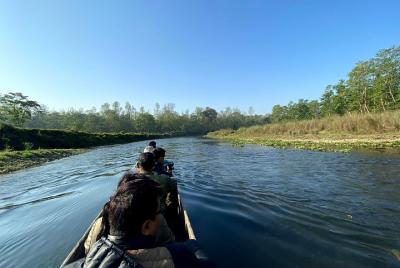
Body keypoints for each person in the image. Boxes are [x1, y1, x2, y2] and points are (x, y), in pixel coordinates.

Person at [65, 177, 214, 268]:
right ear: (147, 226)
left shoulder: (78, 264)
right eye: (158, 212)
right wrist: (191, 245)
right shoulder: (179, 256)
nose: (160, 215)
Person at [83, 173, 175, 255]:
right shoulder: (159, 225)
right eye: (159, 210)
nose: (161, 213)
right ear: (146, 226)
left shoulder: (100, 223)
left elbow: (87, 250)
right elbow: (170, 244)